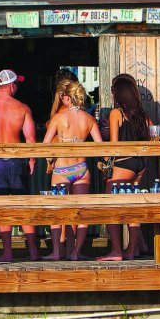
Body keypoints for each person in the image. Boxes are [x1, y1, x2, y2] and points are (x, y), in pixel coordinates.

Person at [0, 69, 40, 261]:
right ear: (12, 85)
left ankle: (8, 252)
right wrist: (31, 160)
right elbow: (30, 139)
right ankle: (34, 252)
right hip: (17, 159)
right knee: (23, 205)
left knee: (2, 206)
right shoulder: (22, 108)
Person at [42, 80, 103, 260]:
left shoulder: (58, 118)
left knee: (56, 211)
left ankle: (56, 252)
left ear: (67, 98)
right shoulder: (89, 119)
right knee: (80, 213)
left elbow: (44, 144)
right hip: (81, 169)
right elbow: (101, 147)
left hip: (62, 169)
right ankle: (74, 252)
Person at [98, 73, 153, 262]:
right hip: (140, 165)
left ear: (118, 94)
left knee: (110, 208)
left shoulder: (116, 113)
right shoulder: (141, 114)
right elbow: (154, 135)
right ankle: (132, 249)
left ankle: (116, 251)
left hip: (123, 163)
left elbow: (114, 145)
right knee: (132, 208)